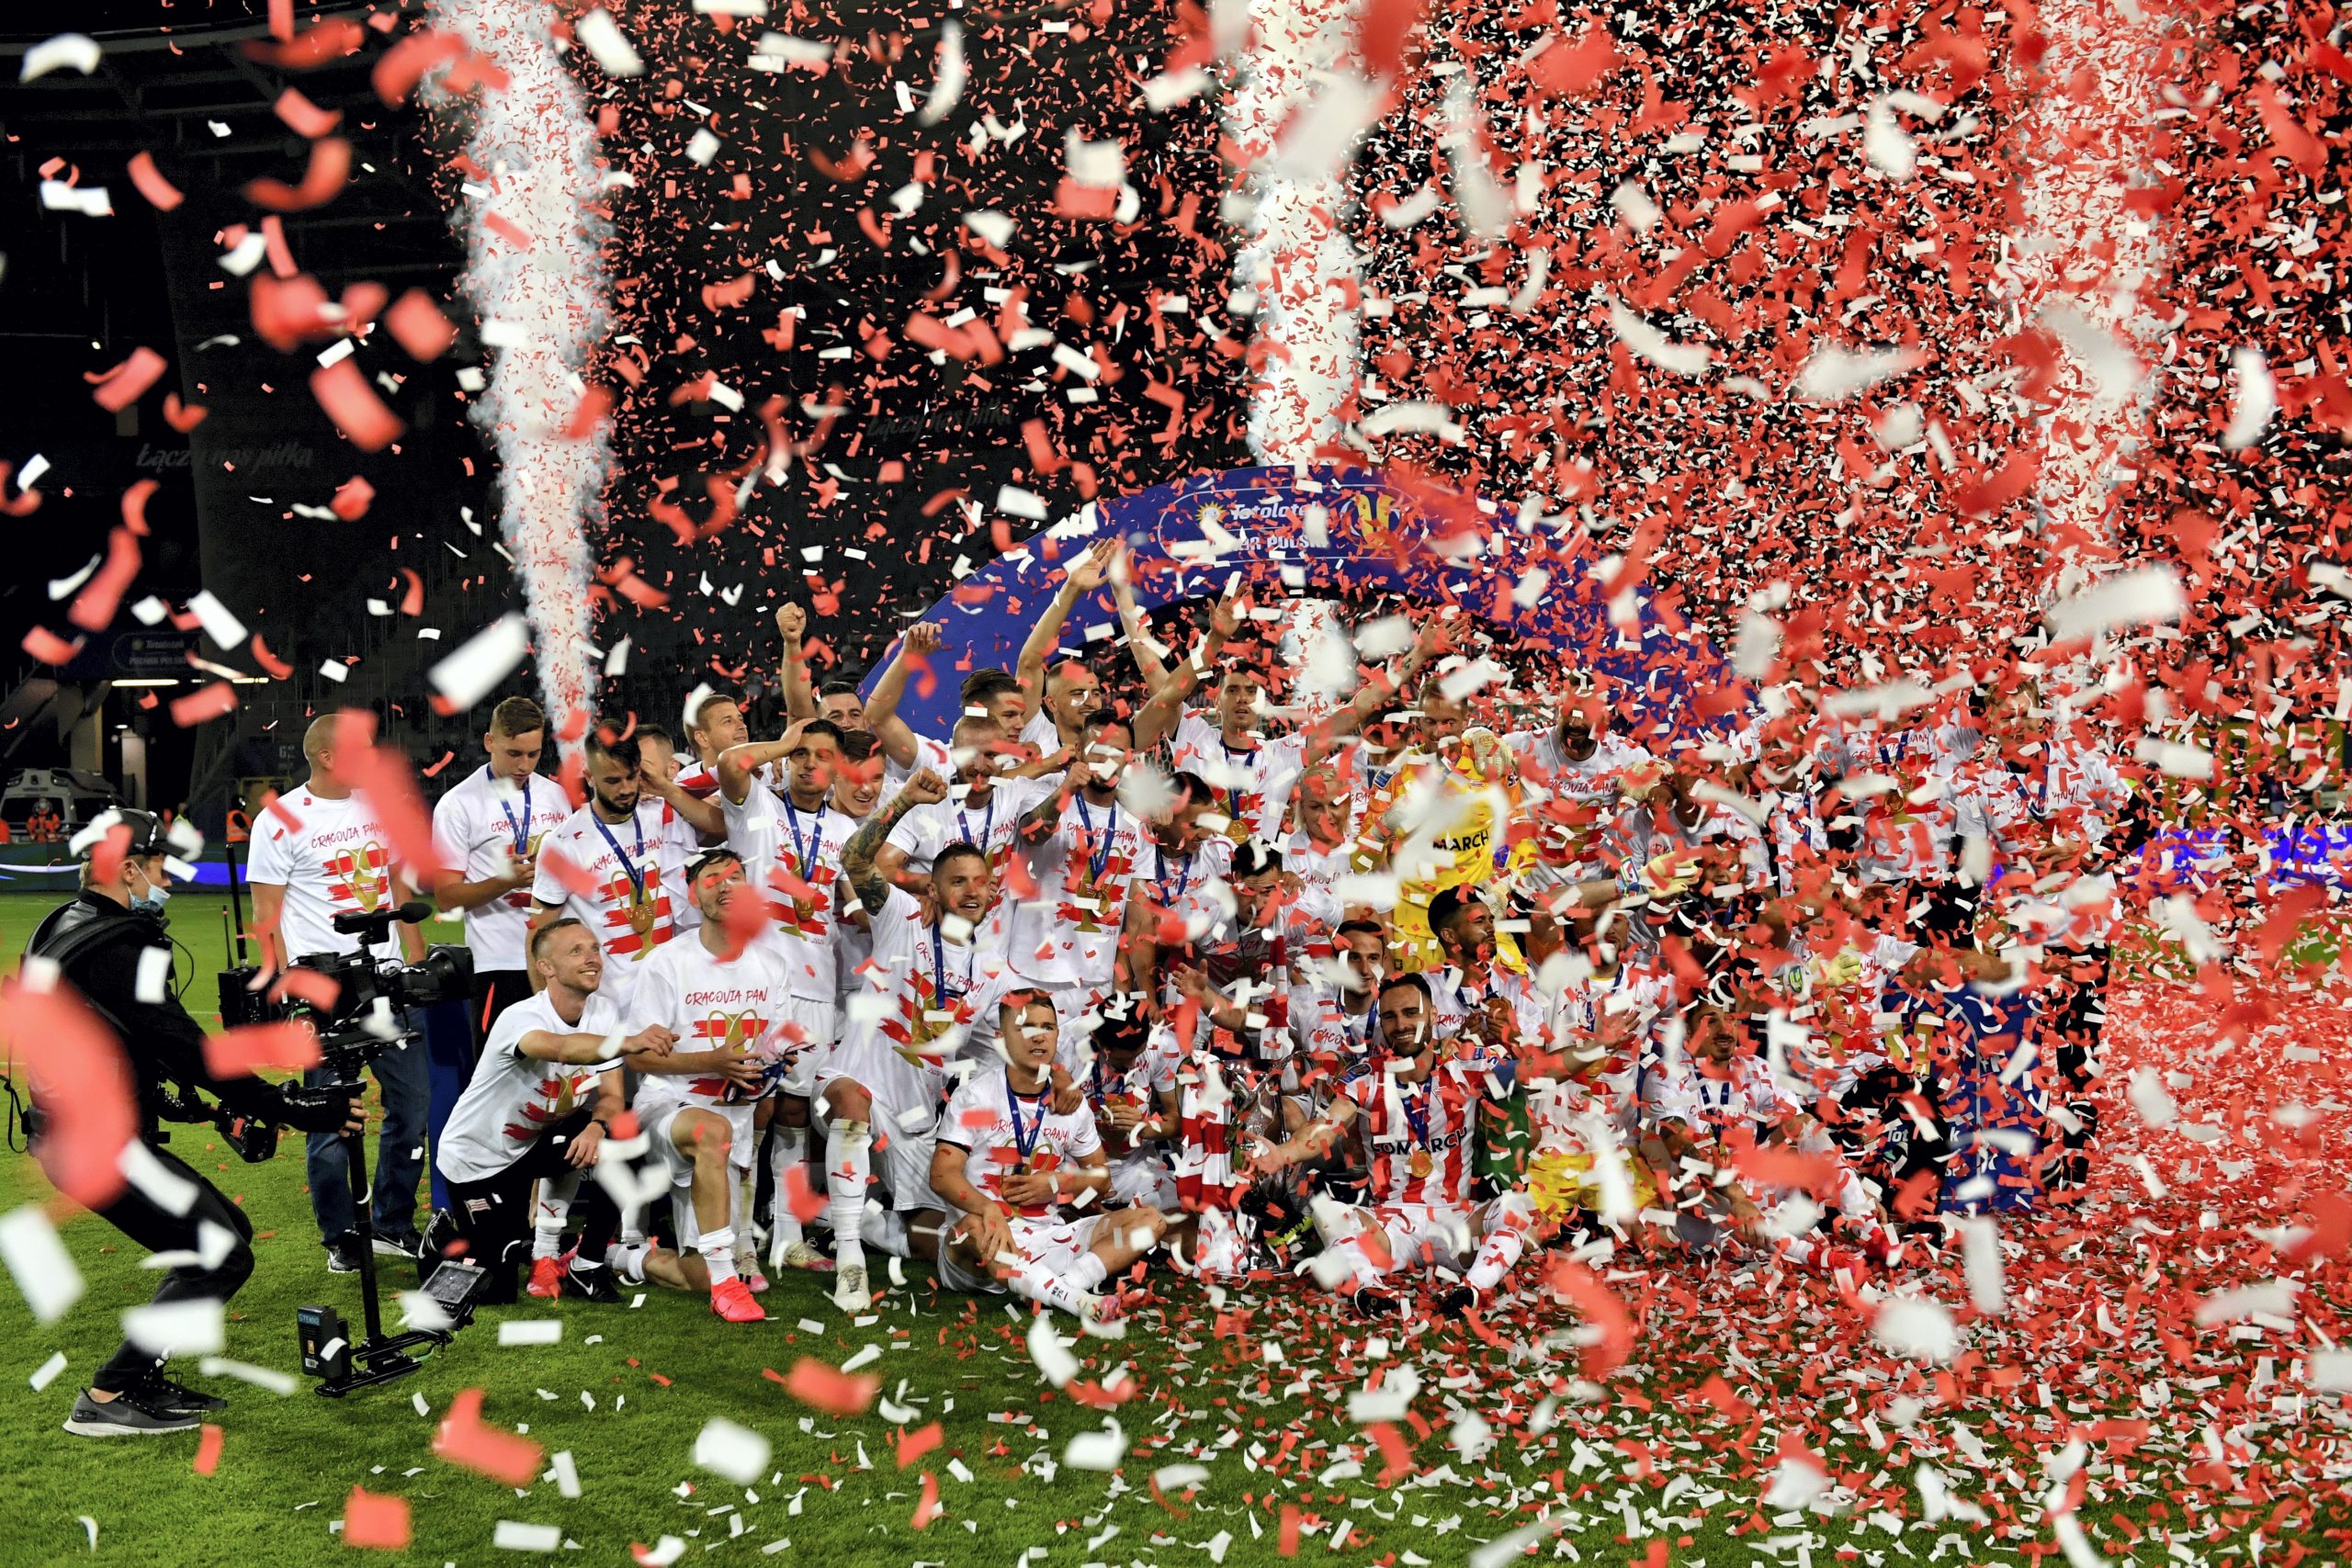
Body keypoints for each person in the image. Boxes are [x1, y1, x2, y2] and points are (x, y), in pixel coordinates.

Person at [22, 808, 363, 1436]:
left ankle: (139, 1376)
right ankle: (108, 1394)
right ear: (127, 868)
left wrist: (190, 1105)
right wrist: (293, 1105)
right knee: (221, 1253)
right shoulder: (120, 946)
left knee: (224, 1232)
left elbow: (113, 1042)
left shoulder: (64, 924)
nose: (169, 881)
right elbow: (191, 1051)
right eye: (159, 867)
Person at [246, 713, 431, 1271]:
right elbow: (265, 914)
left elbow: (399, 890)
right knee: (330, 1114)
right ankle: (340, 1236)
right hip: (325, 990)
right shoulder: (280, 821)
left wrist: (416, 961)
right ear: (327, 756)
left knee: (413, 1103)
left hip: (387, 982)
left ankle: (392, 1224)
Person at [1250, 972, 1534, 1318]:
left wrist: (1596, 1048)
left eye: (1411, 1012)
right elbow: (1327, 1125)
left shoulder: (1466, 1064)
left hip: (1458, 1225)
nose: (1401, 1024)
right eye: (1390, 1016)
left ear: (1433, 1015)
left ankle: (1471, 1290)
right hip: (1389, 1227)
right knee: (1329, 1214)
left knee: (1516, 1207)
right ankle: (1371, 1289)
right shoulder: (1364, 1077)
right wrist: (1284, 1153)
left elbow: (1542, 1071)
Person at [431, 919, 676, 1303]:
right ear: (546, 967)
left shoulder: (603, 1012)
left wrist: (596, 1126)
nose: (592, 958)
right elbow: (561, 1048)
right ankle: (440, 1238)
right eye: (576, 951)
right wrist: (629, 1042)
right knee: (496, 1286)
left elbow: (612, 1098)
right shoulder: (521, 1017)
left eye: (594, 948)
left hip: (536, 1143)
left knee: (620, 1133)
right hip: (478, 1159)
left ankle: (587, 1262)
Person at [623, 848, 804, 1322]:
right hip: (669, 1103)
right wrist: (714, 1062)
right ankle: (728, 1283)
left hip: (734, 1115)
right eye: (711, 879)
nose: (725, 886)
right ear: (692, 893)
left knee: (692, 1275)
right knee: (712, 1133)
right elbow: (637, 1055)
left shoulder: (773, 965)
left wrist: (769, 1069)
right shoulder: (667, 962)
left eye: (736, 877)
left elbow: (780, 1043)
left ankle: (622, 1257)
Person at [930, 990, 1169, 1324]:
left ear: (1058, 1034)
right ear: (1001, 1038)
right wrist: (988, 1208)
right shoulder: (976, 1096)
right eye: (1026, 1027)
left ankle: (1066, 1285)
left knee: (1150, 1219)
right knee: (970, 1227)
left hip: (1048, 1239)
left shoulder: (1070, 1104)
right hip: (983, 1245)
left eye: (1048, 1027)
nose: (1039, 1036)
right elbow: (942, 1174)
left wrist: (1058, 1183)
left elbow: (1101, 1181)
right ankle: (1073, 1299)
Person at [430, 696, 570, 1045]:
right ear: (490, 742)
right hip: (499, 962)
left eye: (533, 754)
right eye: (514, 754)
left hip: (558, 958)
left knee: (566, 1071)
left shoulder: (554, 795)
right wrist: (503, 881)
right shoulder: (458, 805)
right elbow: (446, 897)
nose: (525, 765)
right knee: (503, 1071)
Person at [528, 732, 690, 1017]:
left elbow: (722, 822)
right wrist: (551, 1016)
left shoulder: (662, 813)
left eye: (631, 776)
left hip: (674, 999)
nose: (626, 789)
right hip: (607, 1011)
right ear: (589, 776)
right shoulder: (564, 844)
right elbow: (537, 933)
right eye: (612, 781)